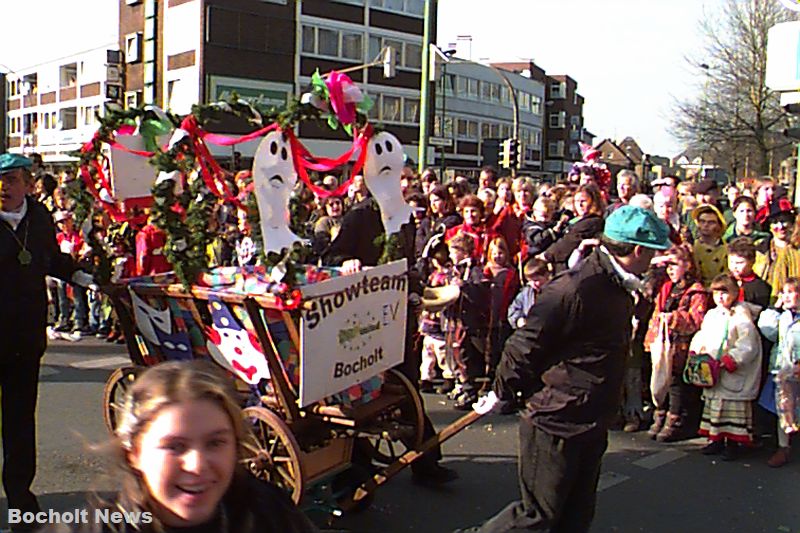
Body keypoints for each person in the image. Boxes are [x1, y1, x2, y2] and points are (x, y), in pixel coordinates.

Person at [460, 206, 670, 533]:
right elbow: (524, 344)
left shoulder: (618, 285)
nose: (656, 259)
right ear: (638, 251)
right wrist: (502, 390)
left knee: (576, 517)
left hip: (591, 415)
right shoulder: (575, 288)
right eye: (653, 252)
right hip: (556, 418)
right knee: (538, 516)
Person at [41, 360, 317, 532]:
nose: (197, 465)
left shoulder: (269, 512)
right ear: (134, 453)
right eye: (174, 446)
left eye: (215, 443)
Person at [0, 153, 95, 530]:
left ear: (27, 183)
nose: (3, 187)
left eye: (11, 179)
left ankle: (21, 502)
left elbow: (50, 259)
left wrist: (80, 275)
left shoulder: (38, 217)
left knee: (21, 425)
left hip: (25, 340)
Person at [689, 274, 762, 461]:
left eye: (724, 292)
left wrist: (732, 359)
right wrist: (696, 351)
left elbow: (748, 344)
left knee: (732, 408)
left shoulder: (741, 316)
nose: (720, 297)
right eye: (716, 293)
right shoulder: (712, 315)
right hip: (712, 370)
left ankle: (734, 443)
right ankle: (716, 440)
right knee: (714, 406)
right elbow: (702, 335)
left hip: (730, 371)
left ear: (734, 293)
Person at [644, 245, 709, 442]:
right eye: (668, 265)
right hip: (663, 343)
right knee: (661, 381)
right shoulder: (665, 288)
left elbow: (696, 320)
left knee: (676, 384)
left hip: (682, 345)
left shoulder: (695, 291)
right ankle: (660, 413)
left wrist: (674, 318)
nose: (670, 269)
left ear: (687, 265)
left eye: (674, 264)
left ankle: (676, 419)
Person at [757, 277, 800, 468]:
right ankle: (783, 447)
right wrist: (774, 308)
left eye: (790, 292)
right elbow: (767, 330)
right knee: (783, 409)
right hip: (783, 370)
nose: (786, 296)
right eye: (783, 292)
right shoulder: (783, 317)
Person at [541, 184, 605, 272]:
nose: (580, 205)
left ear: (594, 202)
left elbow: (569, 242)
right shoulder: (575, 219)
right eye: (577, 201)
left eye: (583, 201)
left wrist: (545, 255)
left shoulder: (592, 222)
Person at [507, 257, 552, 329]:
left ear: (546, 275)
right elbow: (514, 308)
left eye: (536, 280)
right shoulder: (526, 293)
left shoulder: (554, 292)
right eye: (530, 281)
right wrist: (518, 319)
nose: (533, 284)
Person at [691, 204, 728, 286]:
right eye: (702, 221)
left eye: (711, 222)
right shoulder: (692, 248)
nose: (706, 225)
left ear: (719, 225)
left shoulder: (727, 249)